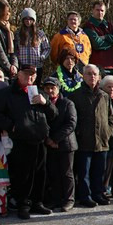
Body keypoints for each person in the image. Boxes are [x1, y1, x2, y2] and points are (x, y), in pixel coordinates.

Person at [0, 64, 55, 219]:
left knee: (40, 174)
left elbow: (54, 114)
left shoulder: (40, 93)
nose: (29, 78)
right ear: (19, 74)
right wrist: (11, 126)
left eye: (32, 75)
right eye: (26, 74)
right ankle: (23, 205)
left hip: (39, 139)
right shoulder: (7, 93)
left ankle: (38, 202)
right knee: (23, 175)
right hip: (20, 140)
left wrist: (46, 103)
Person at [70, 64, 113, 207]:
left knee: (99, 171)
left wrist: (108, 131)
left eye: (94, 74)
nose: (92, 76)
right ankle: (85, 196)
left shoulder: (104, 96)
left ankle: (97, 194)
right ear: (83, 76)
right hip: (84, 140)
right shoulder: (76, 96)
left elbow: (110, 116)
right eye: (88, 74)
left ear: (99, 77)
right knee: (84, 173)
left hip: (102, 140)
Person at [42, 77, 77, 212]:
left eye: (53, 88)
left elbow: (71, 124)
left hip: (65, 144)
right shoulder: (42, 104)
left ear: (58, 88)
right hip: (49, 144)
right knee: (53, 173)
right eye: (47, 88)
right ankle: (56, 199)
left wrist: (55, 139)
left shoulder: (67, 103)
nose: (50, 91)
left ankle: (69, 200)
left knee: (67, 173)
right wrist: (48, 140)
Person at [82, 0, 113, 75]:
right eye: (97, 10)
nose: (100, 12)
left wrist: (105, 37)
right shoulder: (88, 26)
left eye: (102, 10)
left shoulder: (109, 25)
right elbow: (97, 44)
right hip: (98, 66)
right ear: (92, 10)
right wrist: (112, 42)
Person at [14, 9, 50, 76]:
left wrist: (42, 56)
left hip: (36, 66)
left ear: (34, 20)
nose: (28, 21)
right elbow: (15, 49)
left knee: (35, 86)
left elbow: (47, 48)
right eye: (26, 19)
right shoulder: (18, 34)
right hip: (22, 66)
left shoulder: (40, 33)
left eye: (30, 19)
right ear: (23, 20)